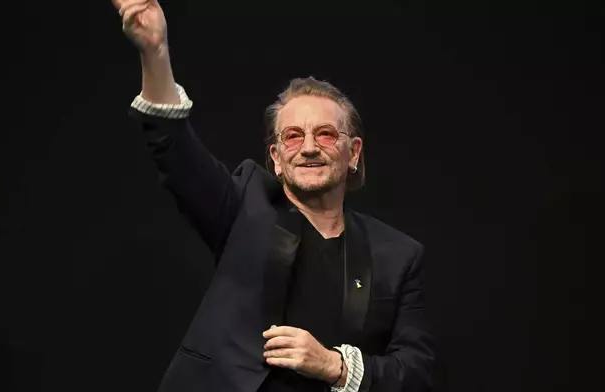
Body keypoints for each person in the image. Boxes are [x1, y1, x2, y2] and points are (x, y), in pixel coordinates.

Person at [111, 1, 436, 391]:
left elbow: (416, 372)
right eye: (293, 136)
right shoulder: (245, 207)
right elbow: (175, 149)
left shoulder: (398, 256)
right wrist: (155, 52)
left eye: (327, 134)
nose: (310, 147)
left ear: (354, 153)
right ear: (277, 159)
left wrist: (334, 365)